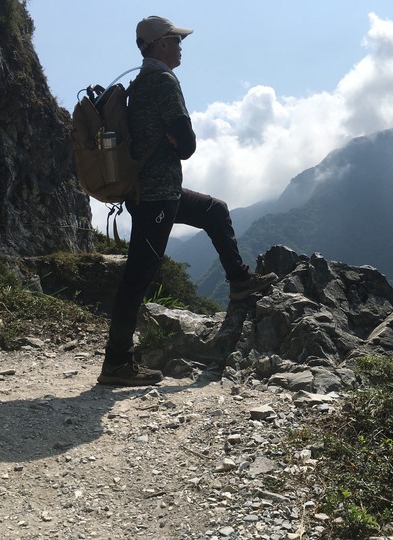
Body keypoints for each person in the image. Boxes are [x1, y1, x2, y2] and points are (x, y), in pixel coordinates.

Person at [97, 16, 278, 387]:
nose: (181, 45)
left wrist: (174, 140)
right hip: (155, 198)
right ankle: (116, 363)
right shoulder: (163, 82)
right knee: (138, 276)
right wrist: (178, 139)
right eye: (175, 39)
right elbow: (188, 145)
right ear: (159, 43)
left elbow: (176, 141)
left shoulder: (140, 83)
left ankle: (240, 280)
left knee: (214, 211)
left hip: (157, 193)